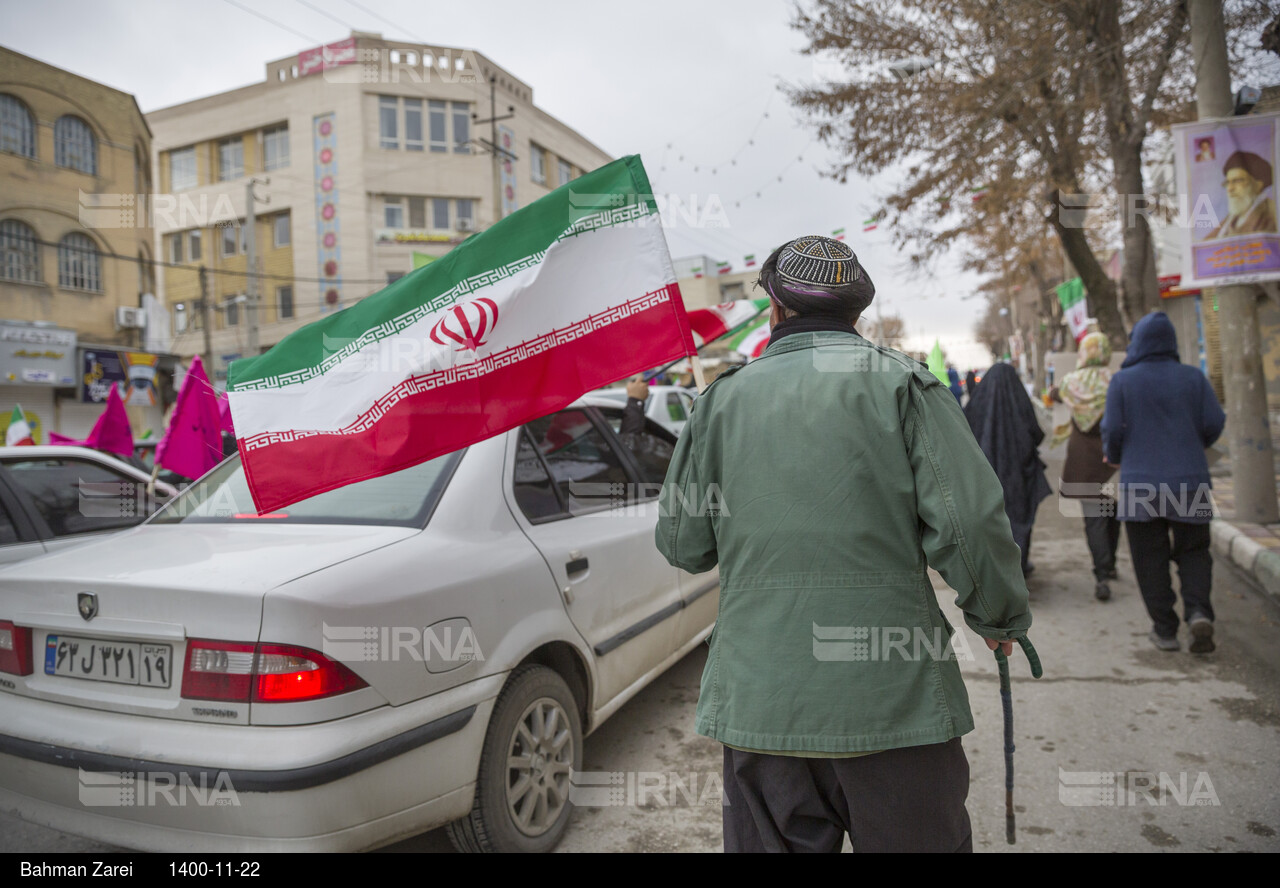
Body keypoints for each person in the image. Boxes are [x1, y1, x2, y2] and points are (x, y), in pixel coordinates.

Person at [655, 234, 1033, 854]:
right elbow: (968, 520)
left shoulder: (720, 401)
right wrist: (997, 614)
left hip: (764, 703)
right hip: (895, 704)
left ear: (775, 310)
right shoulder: (905, 386)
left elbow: (683, 544)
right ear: (855, 313)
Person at [1101, 312, 1225, 653]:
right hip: (1190, 479)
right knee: (1195, 551)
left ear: (1136, 343)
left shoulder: (1123, 381)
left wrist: (1113, 455)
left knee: (1148, 557)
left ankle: (1165, 629)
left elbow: (1111, 430)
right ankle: (1199, 611)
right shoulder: (1193, 378)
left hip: (1140, 485)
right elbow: (1215, 422)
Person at [1050, 332, 1119, 601]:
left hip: (1084, 460)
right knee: (1114, 511)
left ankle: (1101, 574)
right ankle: (1110, 563)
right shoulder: (1115, 380)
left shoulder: (1070, 382)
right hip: (1113, 459)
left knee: (1094, 519)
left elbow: (1053, 394)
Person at [964, 363, 1052, 576]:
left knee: (991, 522)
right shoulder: (1019, 399)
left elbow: (963, 433)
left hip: (985, 475)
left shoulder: (977, 402)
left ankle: (995, 572)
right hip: (1020, 475)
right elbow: (1036, 433)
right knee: (1020, 519)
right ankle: (1019, 565)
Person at [1202, 150, 1277, 240]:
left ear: (1258, 185)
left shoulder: (1272, 214)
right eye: (1227, 183)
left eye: (1237, 181)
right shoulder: (1231, 218)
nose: (1230, 189)